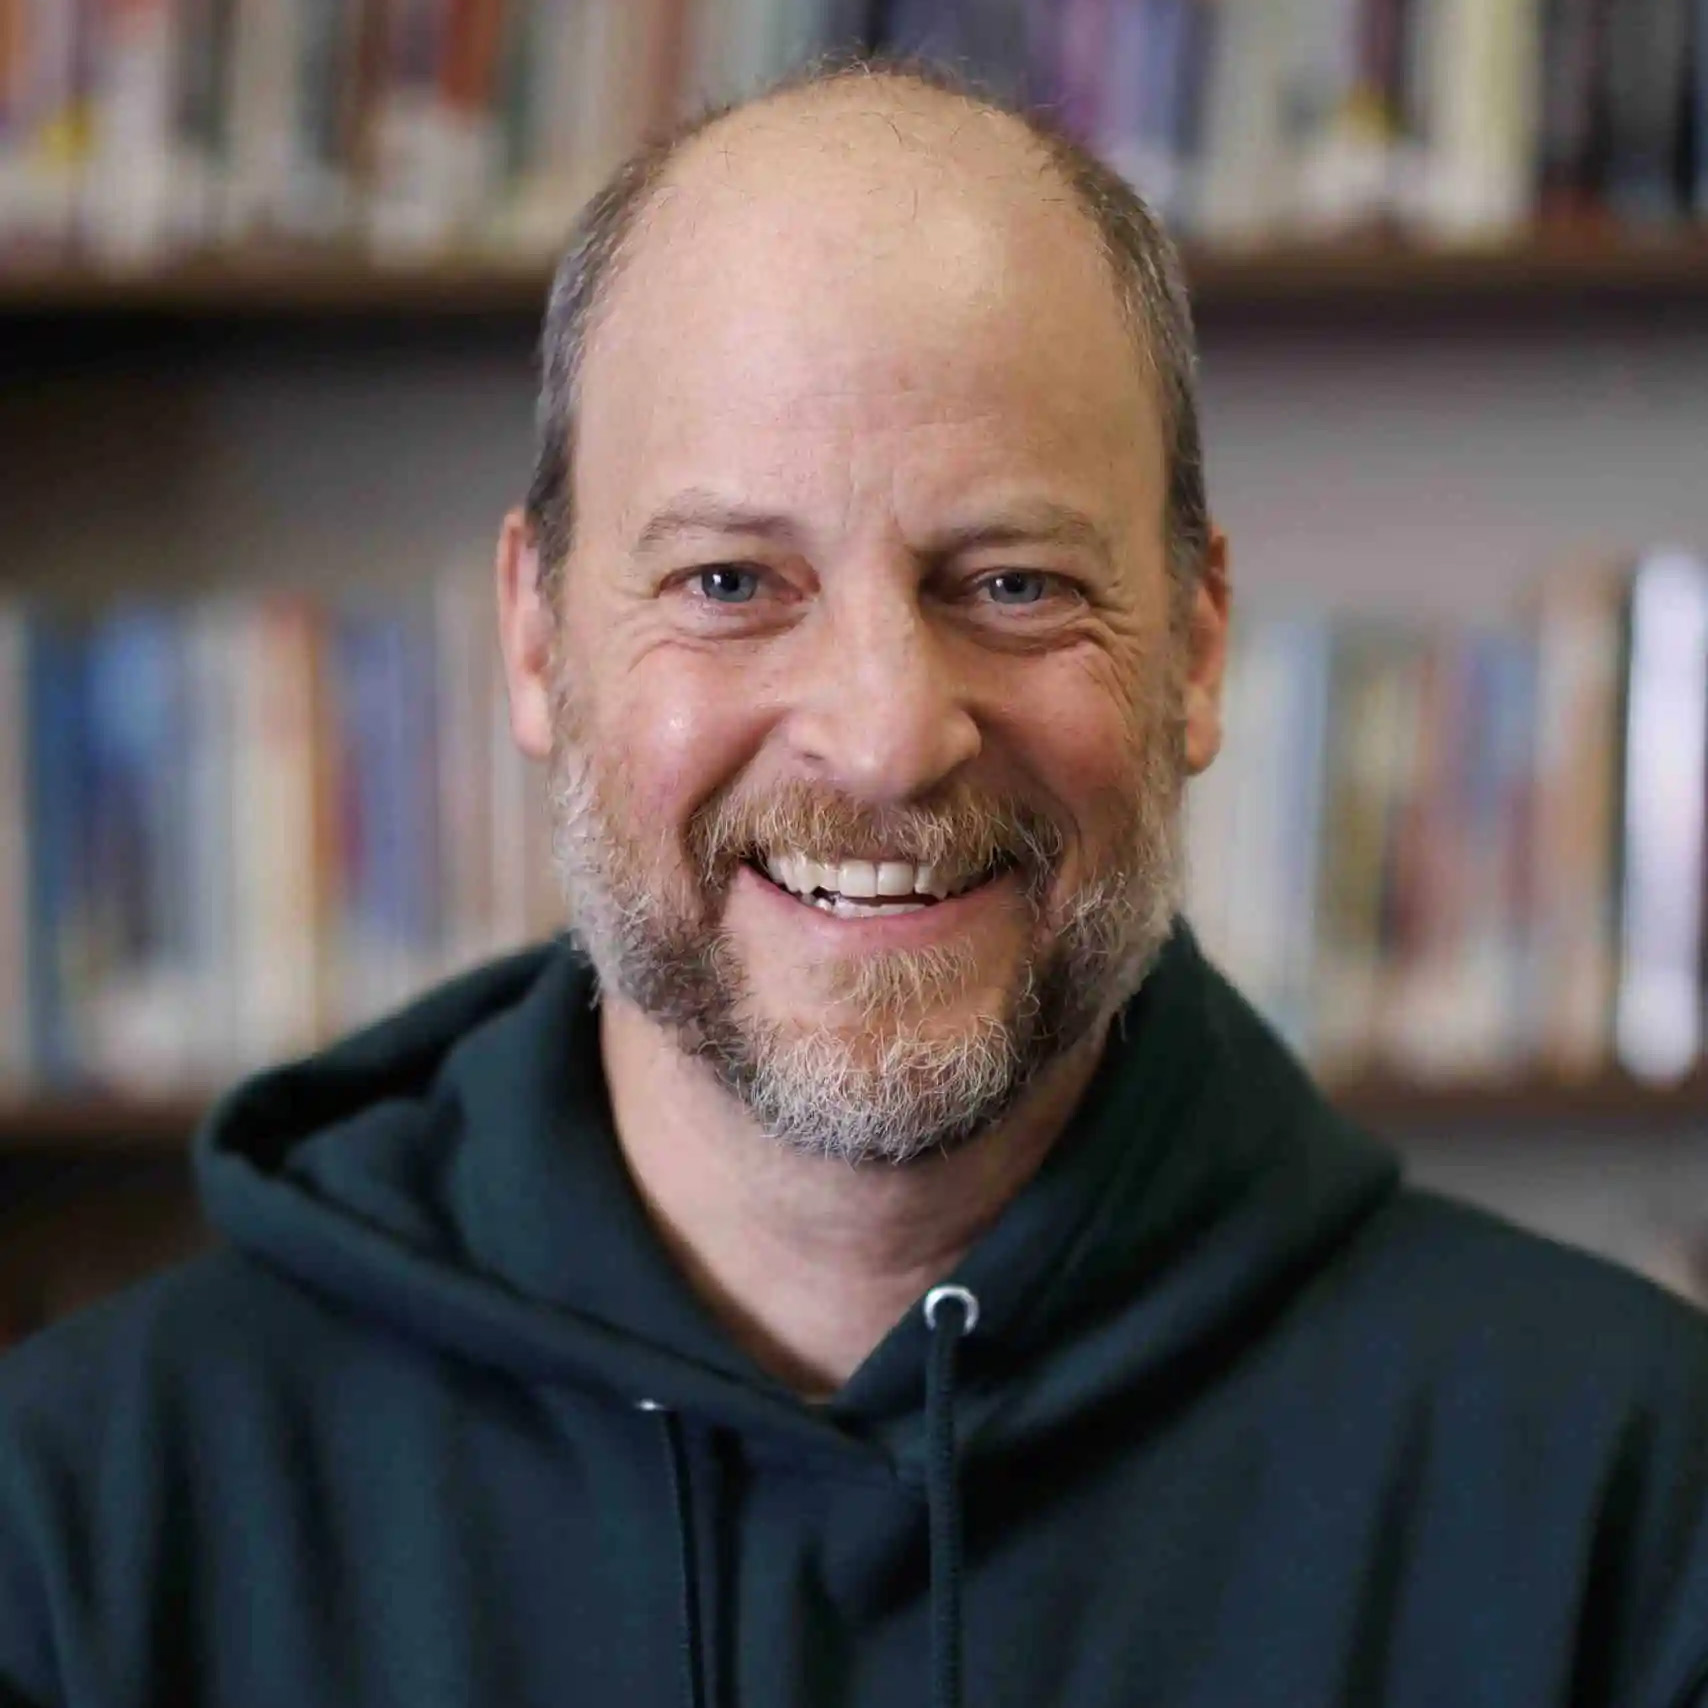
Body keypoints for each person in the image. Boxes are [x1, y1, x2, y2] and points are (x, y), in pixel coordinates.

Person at [5, 59, 1708, 1708]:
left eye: (1016, 583)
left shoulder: (1633, 1494)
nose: (887, 739)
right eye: (735, 578)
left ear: (1195, 645)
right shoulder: (75, 1525)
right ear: (536, 640)